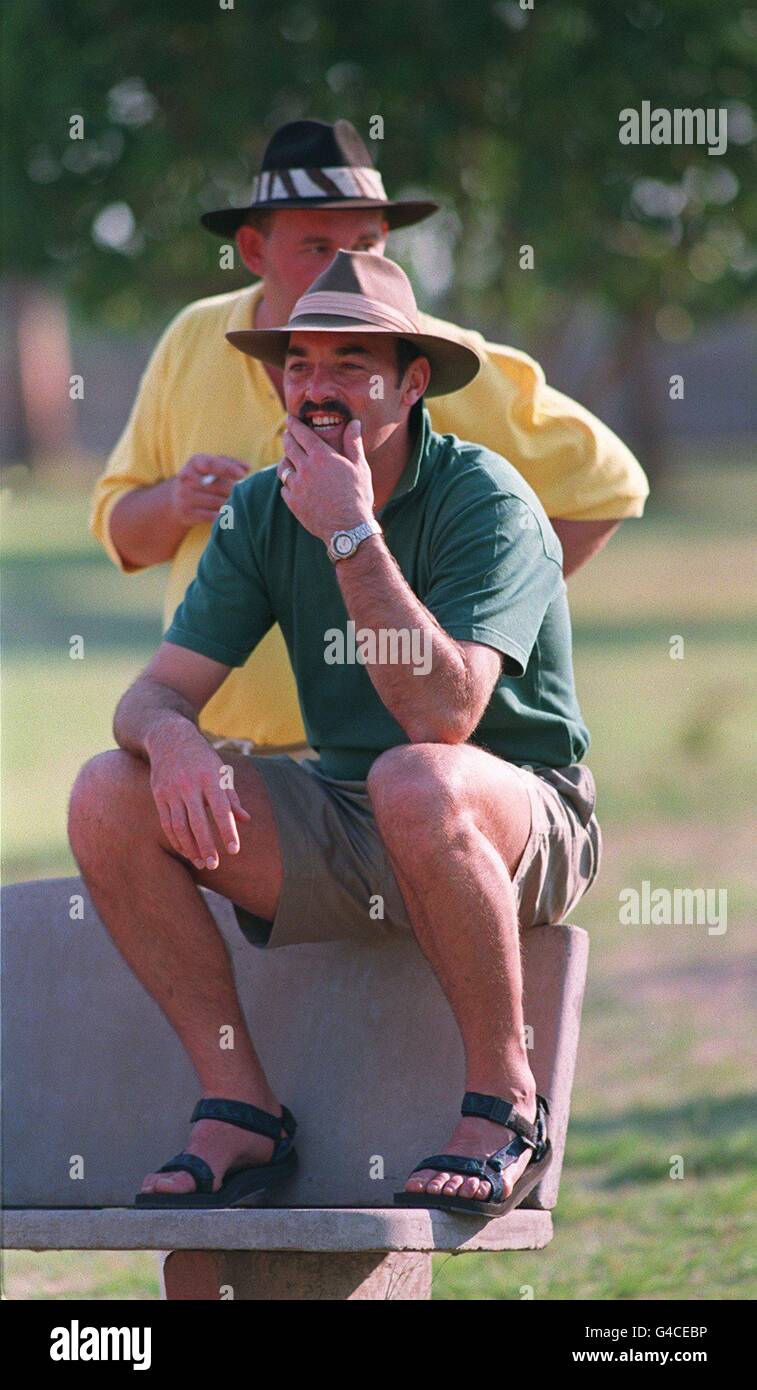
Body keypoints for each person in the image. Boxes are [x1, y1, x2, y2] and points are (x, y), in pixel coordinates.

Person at [68, 250, 602, 1218]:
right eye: (300, 363)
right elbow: (151, 693)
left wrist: (352, 535)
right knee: (109, 787)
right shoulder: (263, 508)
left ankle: (505, 1106)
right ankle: (241, 1110)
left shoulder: (486, 502)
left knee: (417, 777)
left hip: (518, 813)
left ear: (409, 382)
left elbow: (444, 720)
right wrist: (175, 738)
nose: (317, 388)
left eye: (351, 365)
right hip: (356, 813)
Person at [88, 118, 648, 756]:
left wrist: (486, 616)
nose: (347, 265)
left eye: (368, 242)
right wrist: (173, 501)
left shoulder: (430, 352)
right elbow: (118, 529)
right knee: (109, 790)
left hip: (399, 749)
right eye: (319, 247)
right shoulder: (193, 338)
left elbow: (608, 482)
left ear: (414, 382)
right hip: (231, 744)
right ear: (251, 250)